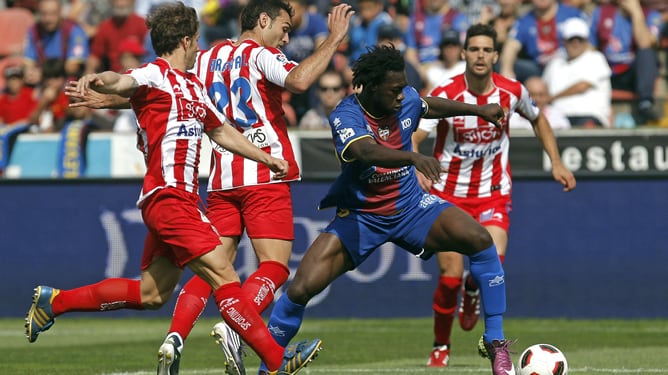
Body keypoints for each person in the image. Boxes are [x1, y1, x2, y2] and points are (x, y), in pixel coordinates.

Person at [25, 4, 322, 375]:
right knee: (225, 276)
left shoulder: (194, 86)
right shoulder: (156, 73)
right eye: (196, 40)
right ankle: (277, 360)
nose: (199, 46)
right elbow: (123, 80)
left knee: (151, 294)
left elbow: (221, 131)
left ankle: (56, 302)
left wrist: (266, 158)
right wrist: (96, 80)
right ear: (184, 40)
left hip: (178, 200)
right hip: (169, 198)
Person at [263, 44, 516, 375]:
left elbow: (427, 105)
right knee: (299, 289)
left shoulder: (405, 98)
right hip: (362, 217)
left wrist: (477, 110)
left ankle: (496, 343)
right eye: (394, 90)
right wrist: (413, 157)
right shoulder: (346, 114)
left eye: (403, 88)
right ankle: (268, 367)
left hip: (411, 208)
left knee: (481, 241)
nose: (401, 96)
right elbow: (366, 151)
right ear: (371, 86)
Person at [412, 23, 576, 368]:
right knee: (449, 278)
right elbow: (415, 135)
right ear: (464, 53)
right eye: (474, 49)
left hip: (492, 192)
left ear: (496, 55)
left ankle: (481, 304)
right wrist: (415, 166)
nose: (480, 55)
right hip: (448, 195)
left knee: (492, 265)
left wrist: (556, 162)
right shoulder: (446, 92)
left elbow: (539, 119)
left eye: (487, 50)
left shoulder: (512, 91)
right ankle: (441, 344)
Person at [588, 0, 663, 125]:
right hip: (607, 72)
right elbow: (590, 47)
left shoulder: (652, 15)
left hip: (632, 73)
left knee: (647, 53)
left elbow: (645, 43)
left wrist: (636, 13)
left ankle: (645, 102)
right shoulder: (600, 12)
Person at [542, 17, 612, 128]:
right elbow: (543, 87)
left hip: (589, 115)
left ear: (586, 41)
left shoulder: (596, 58)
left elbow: (582, 86)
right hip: (558, 117)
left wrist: (551, 98)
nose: (576, 43)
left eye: (580, 39)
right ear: (564, 41)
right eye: (571, 39)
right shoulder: (554, 63)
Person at [499, 0, 586, 83]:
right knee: (498, 64)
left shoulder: (572, 14)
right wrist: (507, 70)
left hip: (567, 64)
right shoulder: (524, 20)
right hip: (538, 68)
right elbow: (511, 46)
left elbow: (589, 44)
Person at [24, 0, 90, 78]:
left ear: (60, 12)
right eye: (44, 14)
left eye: (53, 13)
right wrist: (30, 73)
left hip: (69, 82)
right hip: (42, 82)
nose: (48, 19)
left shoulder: (74, 30)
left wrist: (43, 73)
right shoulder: (34, 31)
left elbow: (73, 67)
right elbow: (28, 63)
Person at [84, 0, 148, 74]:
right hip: (114, 75)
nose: (120, 4)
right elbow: (95, 55)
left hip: (140, 74)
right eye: (116, 0)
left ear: (133, 1)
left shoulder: (142, 24)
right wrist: (89, 73)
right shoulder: (105, 26)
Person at [424, 28, 465, 92]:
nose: (450, 49)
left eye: (454, 45)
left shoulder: (466, 69)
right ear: (441, 49)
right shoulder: (432, 72)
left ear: (460, 48)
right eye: (446, 45)